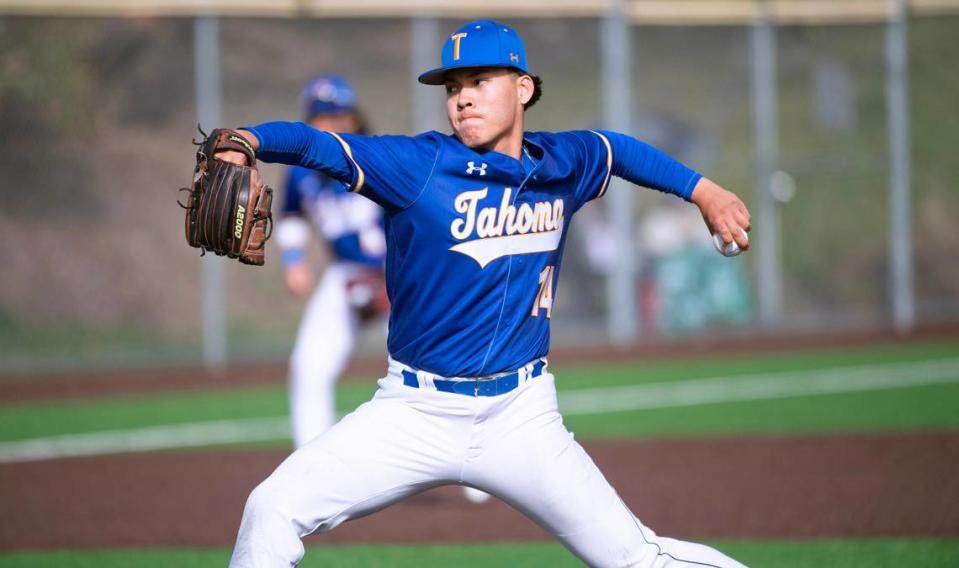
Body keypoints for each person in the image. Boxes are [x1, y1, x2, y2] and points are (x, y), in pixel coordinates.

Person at [220, 19, 751, 568]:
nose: (463, 100)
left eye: (479, 81)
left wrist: (703, 191)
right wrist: (247, 140)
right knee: (271, 508)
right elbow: (316, 146)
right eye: (453, 88)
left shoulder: (561, 164)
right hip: (413, 412)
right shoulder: (418, 166)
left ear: (524, 88)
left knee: (637, 558)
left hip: (521, 417)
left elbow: (617, 151)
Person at [275, 75, 388, 449]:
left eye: (336, 115)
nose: (328, 124)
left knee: (436, 367)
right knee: (309, 366)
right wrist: (294, 261)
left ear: (354, 118)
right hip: (346, 275)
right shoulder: (301, 171)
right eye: (319, 117)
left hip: (402, 277)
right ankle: (310, 460)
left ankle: (475, 463)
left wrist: (394, 280)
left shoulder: (377, 157)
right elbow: (290, 216)